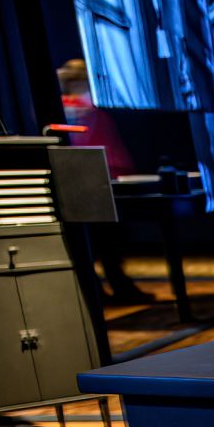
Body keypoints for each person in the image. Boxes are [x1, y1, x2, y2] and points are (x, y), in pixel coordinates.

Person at [56, 59, 149, 305]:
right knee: (103, 241)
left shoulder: (87, 109)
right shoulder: (79, 110)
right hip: (89, 180)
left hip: (96, 179)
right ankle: (106, 289)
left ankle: (112, 287)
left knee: (105, 241)